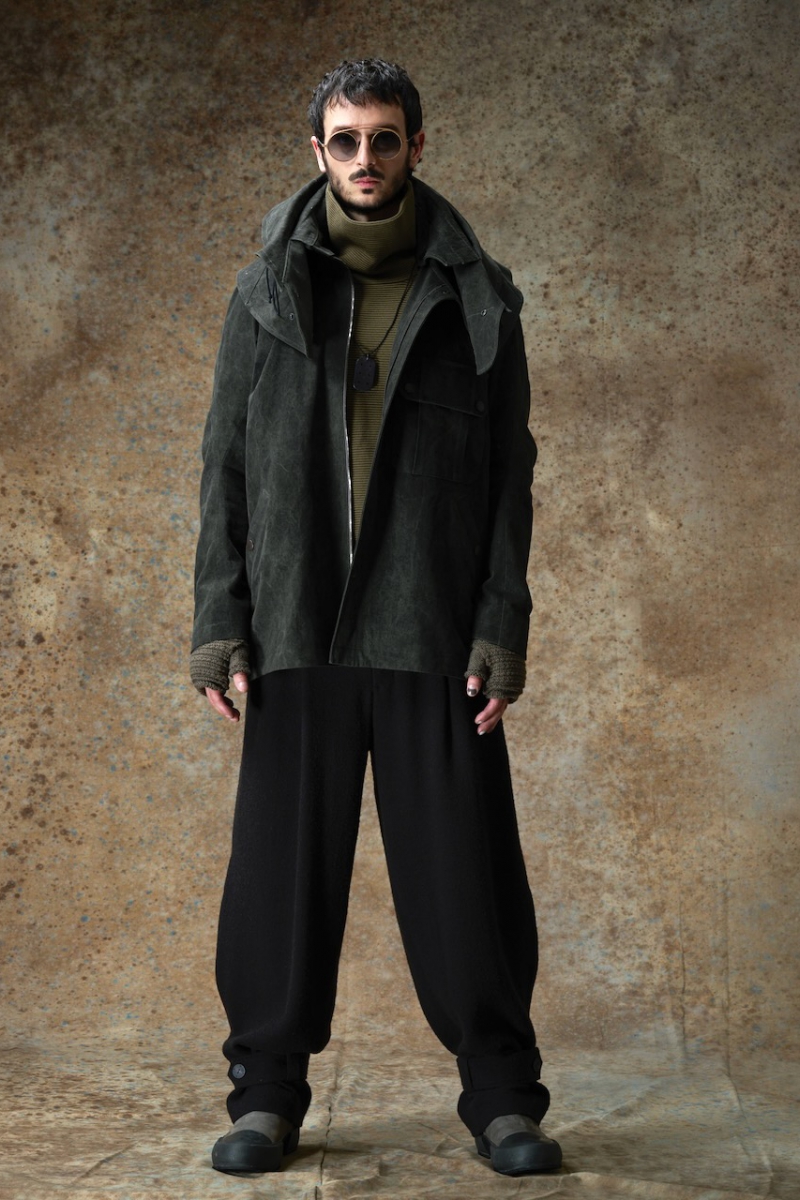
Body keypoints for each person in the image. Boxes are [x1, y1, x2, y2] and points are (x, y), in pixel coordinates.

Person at [190, 57, 562, 1178]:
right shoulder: (262, 294)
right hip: (295, 626)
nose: (365, 159)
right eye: (345, 140)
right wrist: (220, 621)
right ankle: (265, 1094)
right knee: (279, 877)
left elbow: (509, 479)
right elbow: (224, 470)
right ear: (318, 151)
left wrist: (500, 627)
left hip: (430, 626)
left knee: (464, 876)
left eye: (384, 138)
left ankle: (502, 1099)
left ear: (415, 147)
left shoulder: (478, 297)